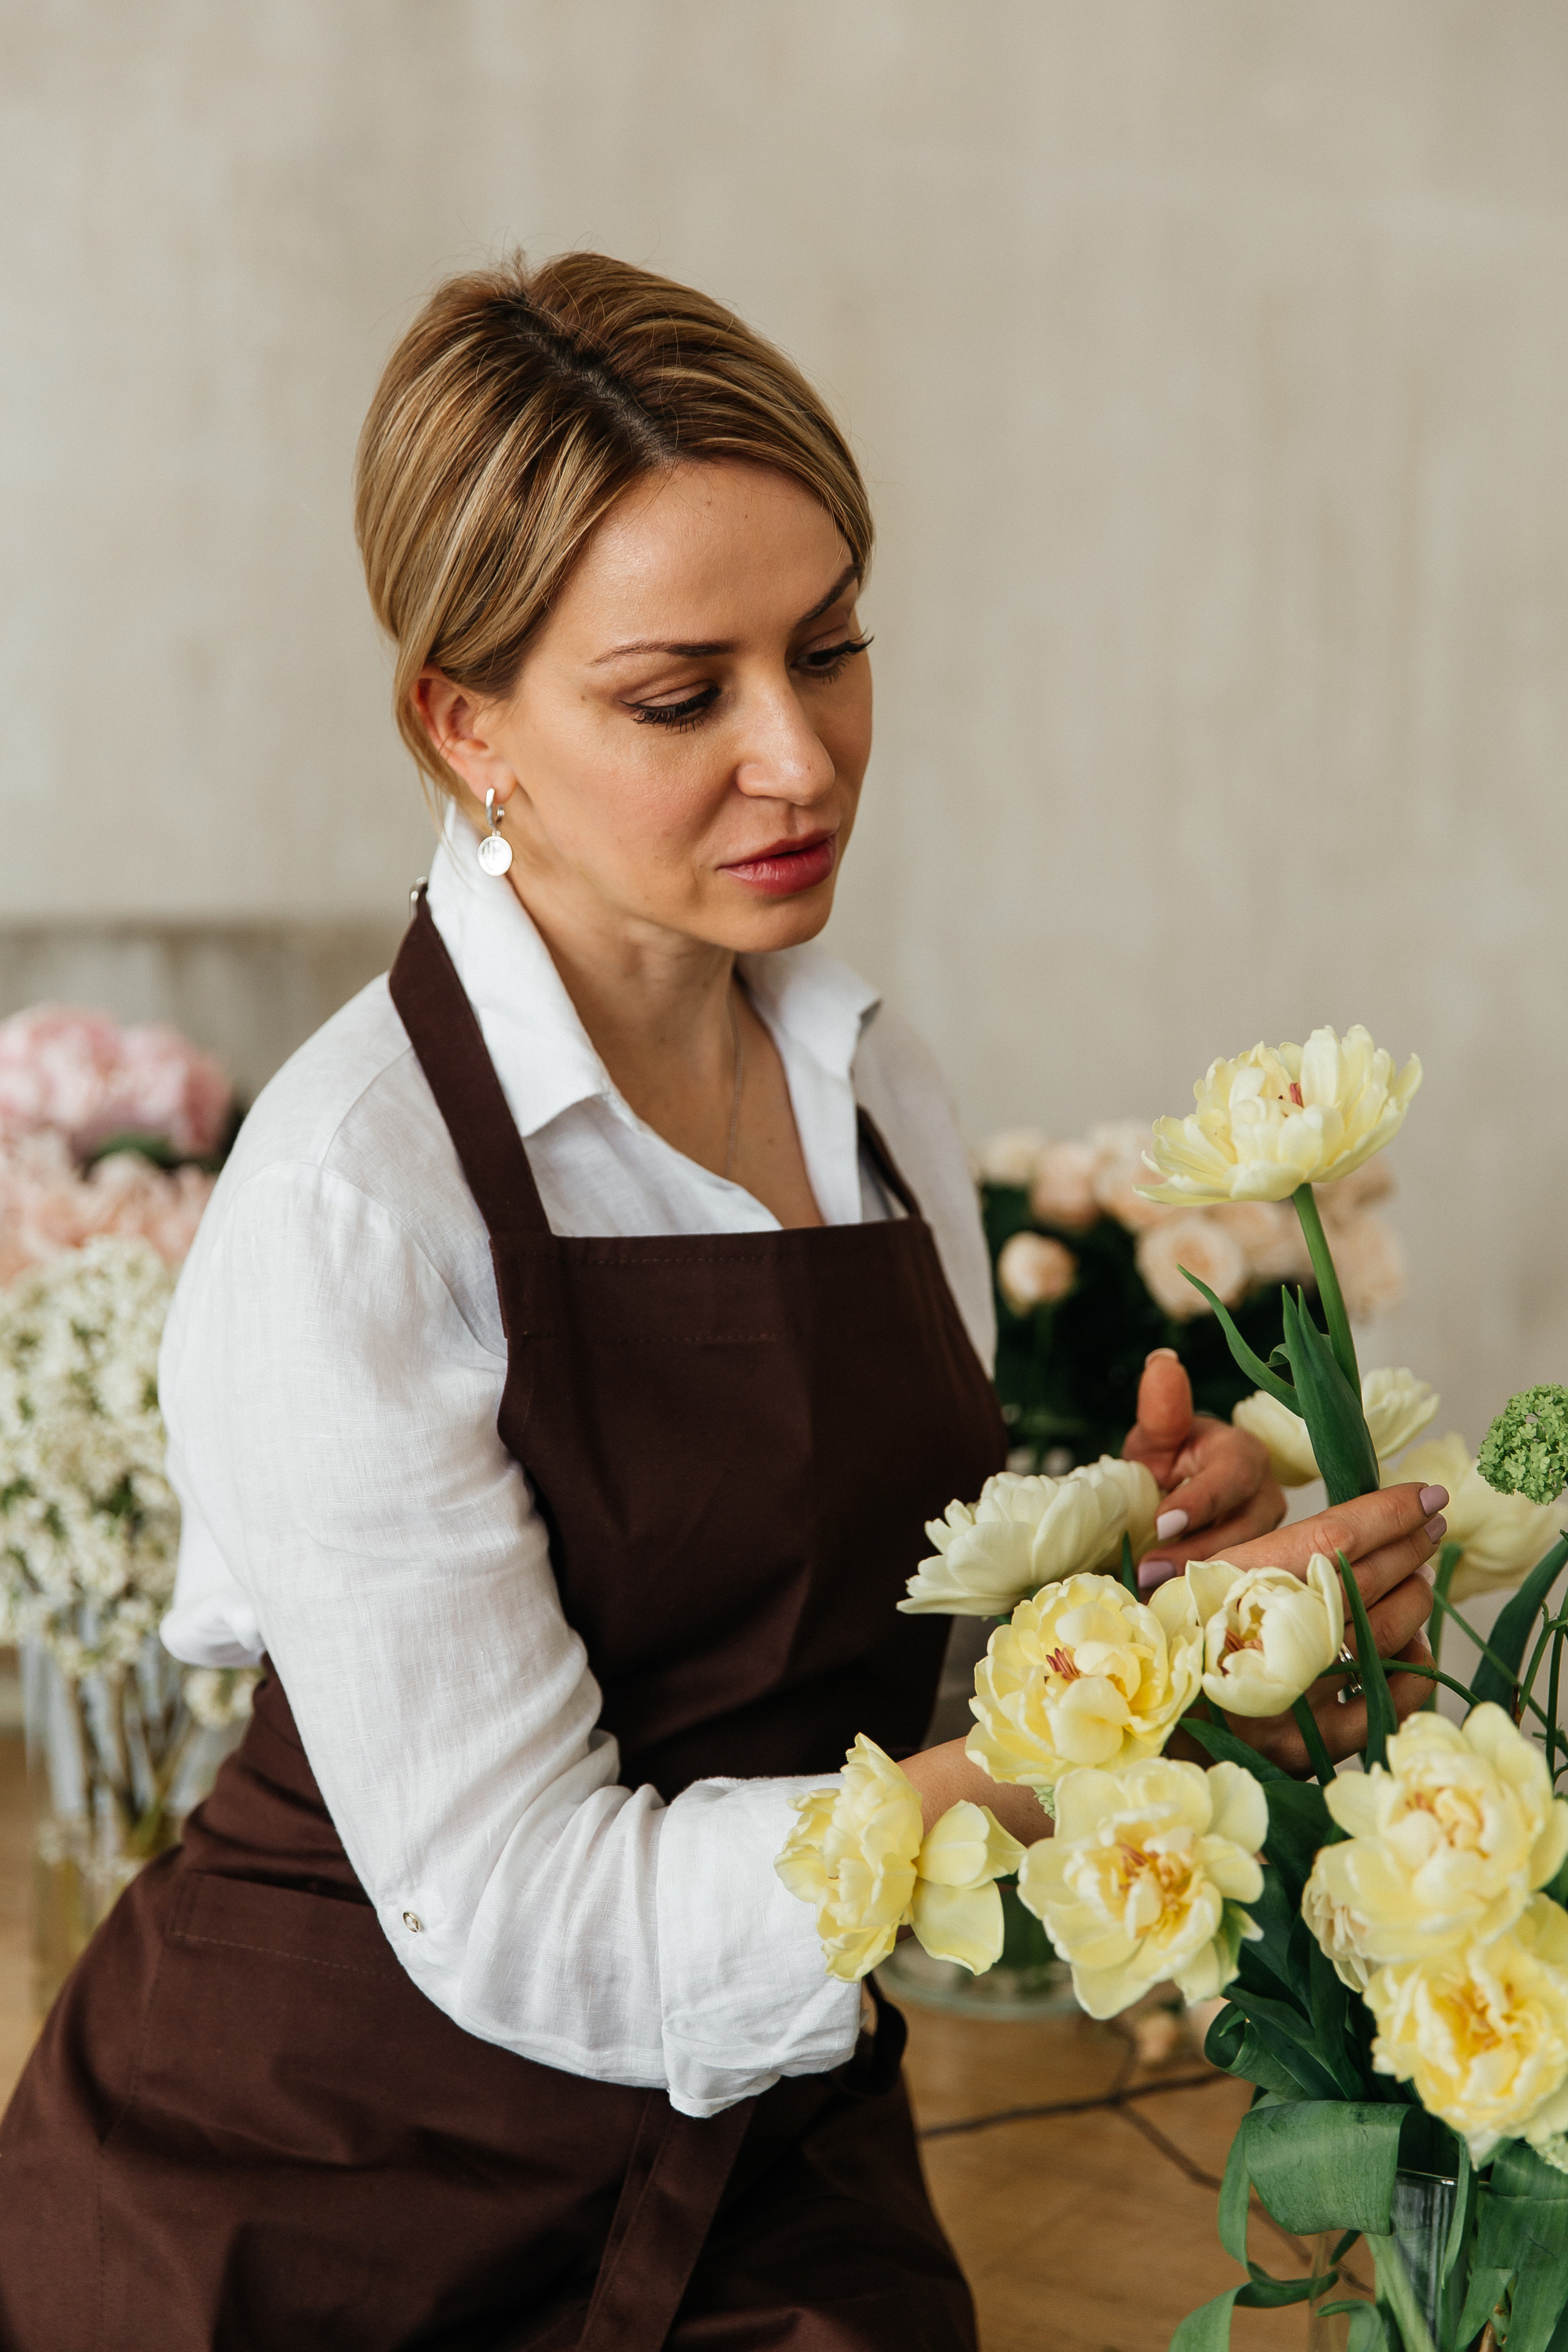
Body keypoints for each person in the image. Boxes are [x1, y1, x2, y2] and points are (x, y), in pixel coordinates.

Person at [0, 253, 1444, 2352]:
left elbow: (883, 1686)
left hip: (767, 2168)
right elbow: (524, 1910)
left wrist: (1160, 1617)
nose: (800, 756)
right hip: (307, 2216)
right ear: (461, 718)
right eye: (683, 696)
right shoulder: (352, 1198)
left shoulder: (870, 1083)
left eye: (834, 648)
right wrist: (1107, 1746)